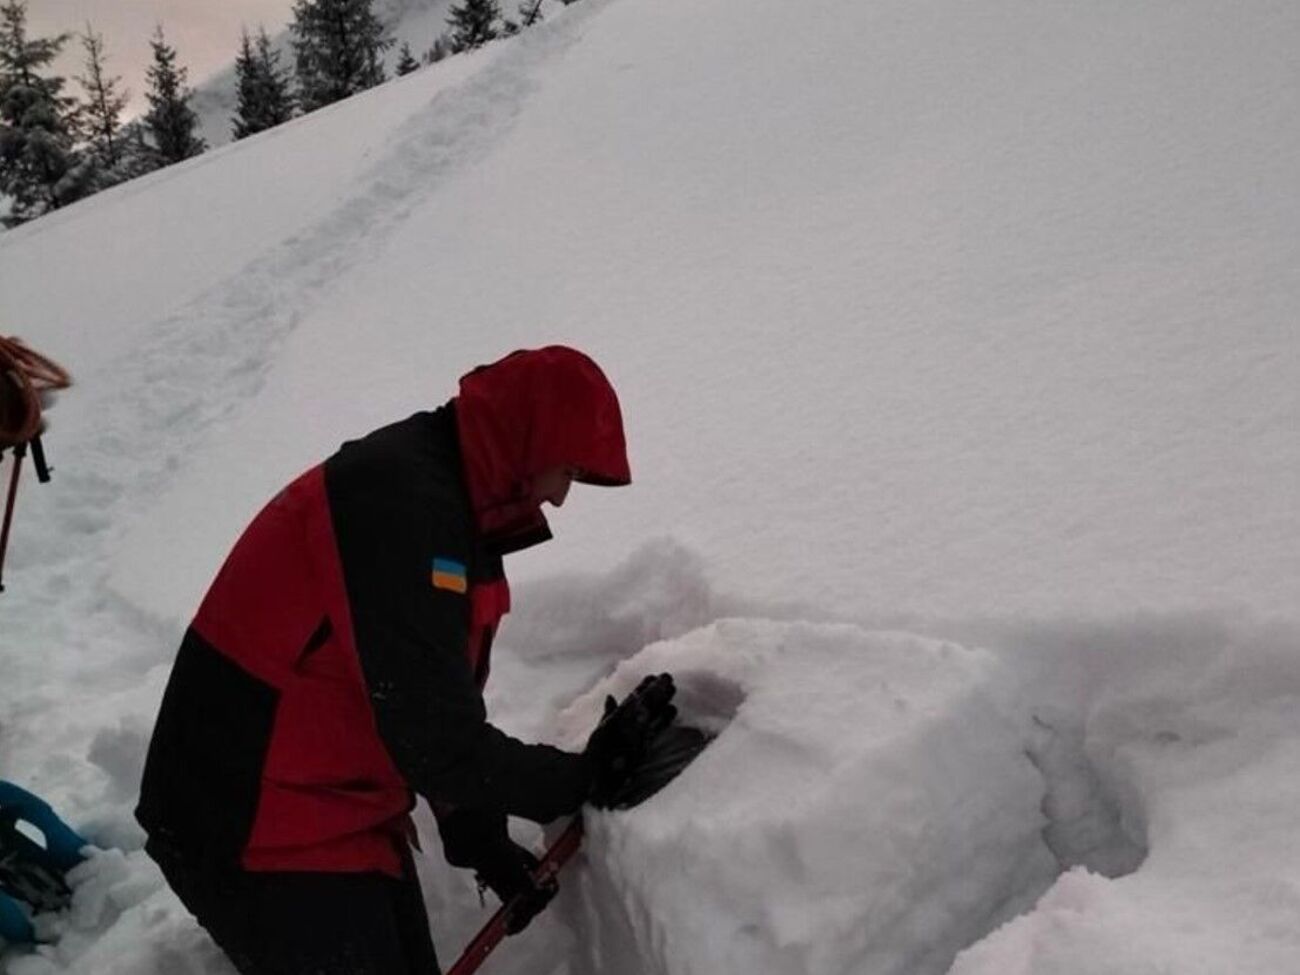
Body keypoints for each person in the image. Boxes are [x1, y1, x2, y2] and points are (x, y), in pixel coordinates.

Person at [135, 346, 669, 974]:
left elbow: (414, 697)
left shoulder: (451, 509)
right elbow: (433, 739)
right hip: (247, 822)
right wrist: (577, 780)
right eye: (568, 471)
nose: (560, 498)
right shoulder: (401, 509)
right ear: (529, 439)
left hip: (328, 804)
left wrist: (480, 837)